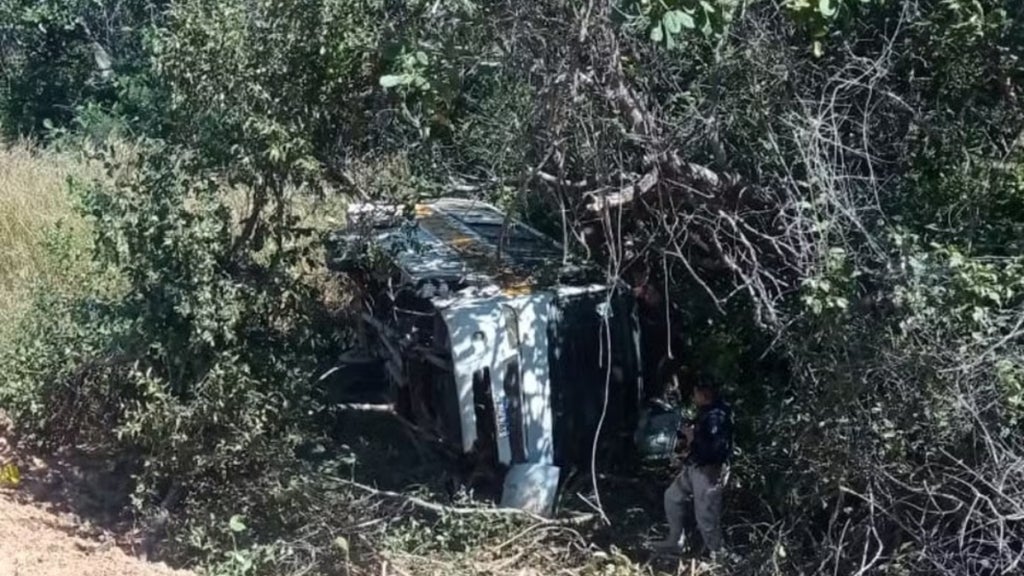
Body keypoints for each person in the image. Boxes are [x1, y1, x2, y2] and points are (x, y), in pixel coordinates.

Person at [652, 376, 733, 555]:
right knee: (672, 497)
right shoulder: (707, 411)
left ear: (704, 394)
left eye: (696, 393)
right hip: (695, 467)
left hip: (709, 473)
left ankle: (720, 557)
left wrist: (692, 437)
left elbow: (714, 449)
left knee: (706, 518)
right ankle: (675, 541)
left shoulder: (716, 416)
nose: (693, 396)